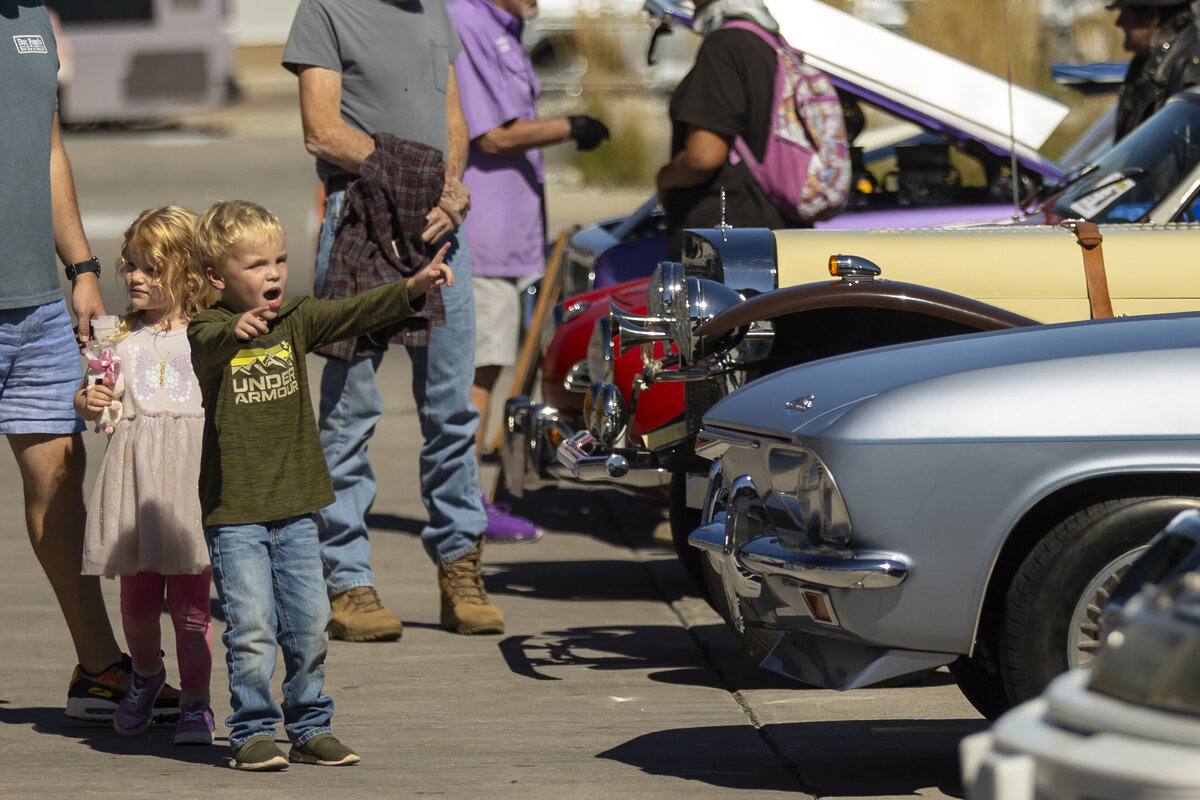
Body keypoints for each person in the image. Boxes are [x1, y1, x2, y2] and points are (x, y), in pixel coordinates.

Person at [188, 200, 454, 770]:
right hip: (235, 513)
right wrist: (234, 328)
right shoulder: (208, 327)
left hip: (296, 508)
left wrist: (412, 286)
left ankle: (310, 726)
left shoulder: (295, 320)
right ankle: (252, 731)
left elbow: (354, 312)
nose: (275, 273)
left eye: (280, 260)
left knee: (309, 624)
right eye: (257, 264)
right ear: (217, 278)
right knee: (252, 626)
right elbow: (207, 345)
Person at [282, 0, 506, 643]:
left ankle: (460, 568)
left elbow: (452, 118)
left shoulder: (433, 10)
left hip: (439, 234)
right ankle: (347, 581)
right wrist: (419, 180)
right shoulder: (324, 9)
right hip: (360, 226)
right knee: (350, 416)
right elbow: (322, 131)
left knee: (452, 413)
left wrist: (453, 187)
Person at [0, 0, 166, 723]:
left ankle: (98, 667)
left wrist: (83, 266)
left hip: (37, 301)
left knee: (61, 476)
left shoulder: (31, 17)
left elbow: (47, 145)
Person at [446, 0, 608, 543]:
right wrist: (570, 125)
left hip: (508, 237)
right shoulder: (468, 23)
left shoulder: (503, 26)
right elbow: (490, 134)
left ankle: (469, 498)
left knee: (489, 371)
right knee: (477, 375)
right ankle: (464, 507)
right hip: (483, 238)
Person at [74, 206, 217, 744]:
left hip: (189, 487)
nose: (135, 277)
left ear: (188, 272)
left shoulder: (211, 333)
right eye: (130, 265)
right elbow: (96, 405)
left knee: (192, 610)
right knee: (136, 607)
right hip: (134, 484)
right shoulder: (114, 337)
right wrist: (88, 401)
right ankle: (147, 675)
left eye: (151, 268)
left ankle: (197, 703)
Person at [656, 0, 796, 259]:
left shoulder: (724, 43)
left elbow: (703, 156)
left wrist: (665, 178)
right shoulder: (769, 39)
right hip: (774, 233)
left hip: (726, 245)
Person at [1111, 0, 1200, 141]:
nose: (1119, 21)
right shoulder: (1141, 67)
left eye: (1125, 11)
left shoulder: (1192, 75)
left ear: (1153, 17)